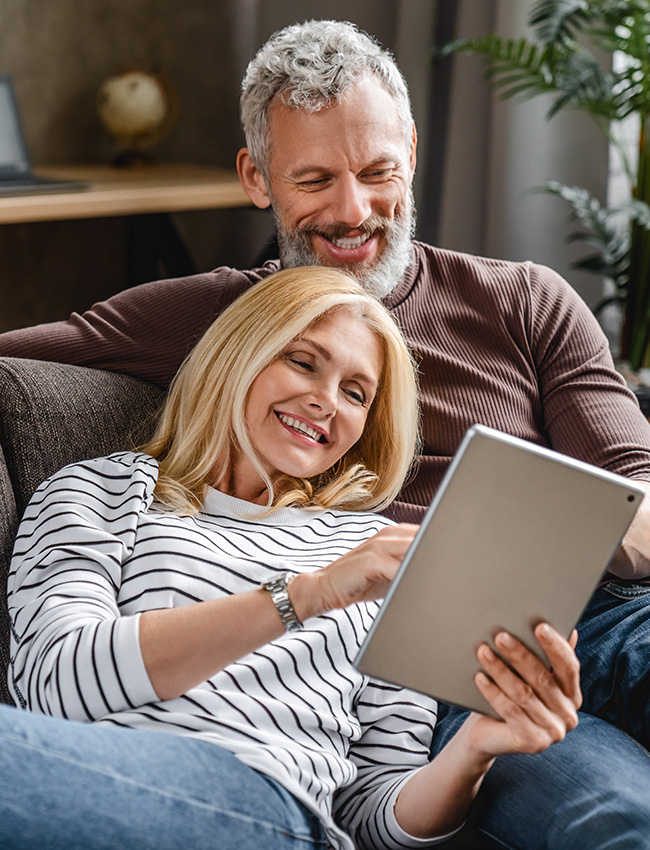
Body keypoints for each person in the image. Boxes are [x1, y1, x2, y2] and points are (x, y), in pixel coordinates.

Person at [2, 18, 650, 847]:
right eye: (316, 178)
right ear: (257, 176)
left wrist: (485, 545)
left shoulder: (524, 300)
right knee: (617, 814)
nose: (353, 212)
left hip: (592, 609)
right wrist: (345, 582)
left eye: (379, 171)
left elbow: (639, 500)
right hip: (438, 665)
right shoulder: (208, 325)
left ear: (412, 154)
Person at [3, 267, 587, 850]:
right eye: (304, 362)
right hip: (87, 796)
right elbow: (57, 682)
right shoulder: (101, 491)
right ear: (238, 356)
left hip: (265, 807)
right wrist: (307, 595)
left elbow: (373, 815)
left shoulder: (371, 553)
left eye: (356, 393)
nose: (326, 401)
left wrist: (476, 746)